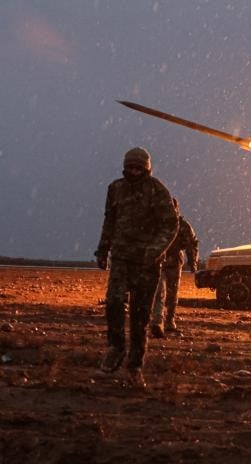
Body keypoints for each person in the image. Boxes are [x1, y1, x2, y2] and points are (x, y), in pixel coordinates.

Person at [95, 146, 178, 389]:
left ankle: (135, 366)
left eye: (138, 167)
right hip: (121, 258)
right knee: (113, 302)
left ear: (146, 168)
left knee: (141, 318)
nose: (133, 171)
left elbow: (170, 225)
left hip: (147, 264)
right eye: (130, 167)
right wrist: (103, 250)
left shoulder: (157, 190)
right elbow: (109, 220)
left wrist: (154, 250)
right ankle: (116, 347)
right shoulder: (116, 189)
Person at [150, 198, 199, 338]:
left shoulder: (183, 226)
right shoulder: (158, 224)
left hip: (174, 263)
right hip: (159, 262)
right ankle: (157, 322)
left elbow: (192, 244)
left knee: (172, 295)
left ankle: (170, 321)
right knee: (159, 293)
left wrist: (193, 262)